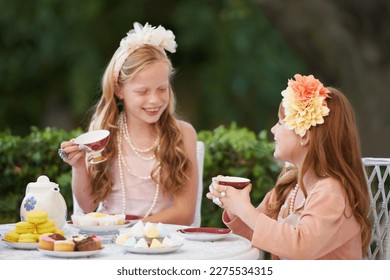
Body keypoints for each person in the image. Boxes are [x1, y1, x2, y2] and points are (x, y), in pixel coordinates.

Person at [207, 74, 371, 259]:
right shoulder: (290, 185)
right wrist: (232, 204)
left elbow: (301, 246)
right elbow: (256, 233)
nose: (273, 130)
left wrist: (244, 208)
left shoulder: (331, 192)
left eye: (280, 122)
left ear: (304, 135)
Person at [58, 22, 198, 225]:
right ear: (119, 90)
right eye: (142, 91)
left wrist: (133, 230)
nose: (154, 100)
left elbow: (185, 213)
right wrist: (79, 166)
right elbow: (88, 207)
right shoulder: (103, 134)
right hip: (109, 242)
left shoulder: (183, 134)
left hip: (158, 243)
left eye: (161, 89)